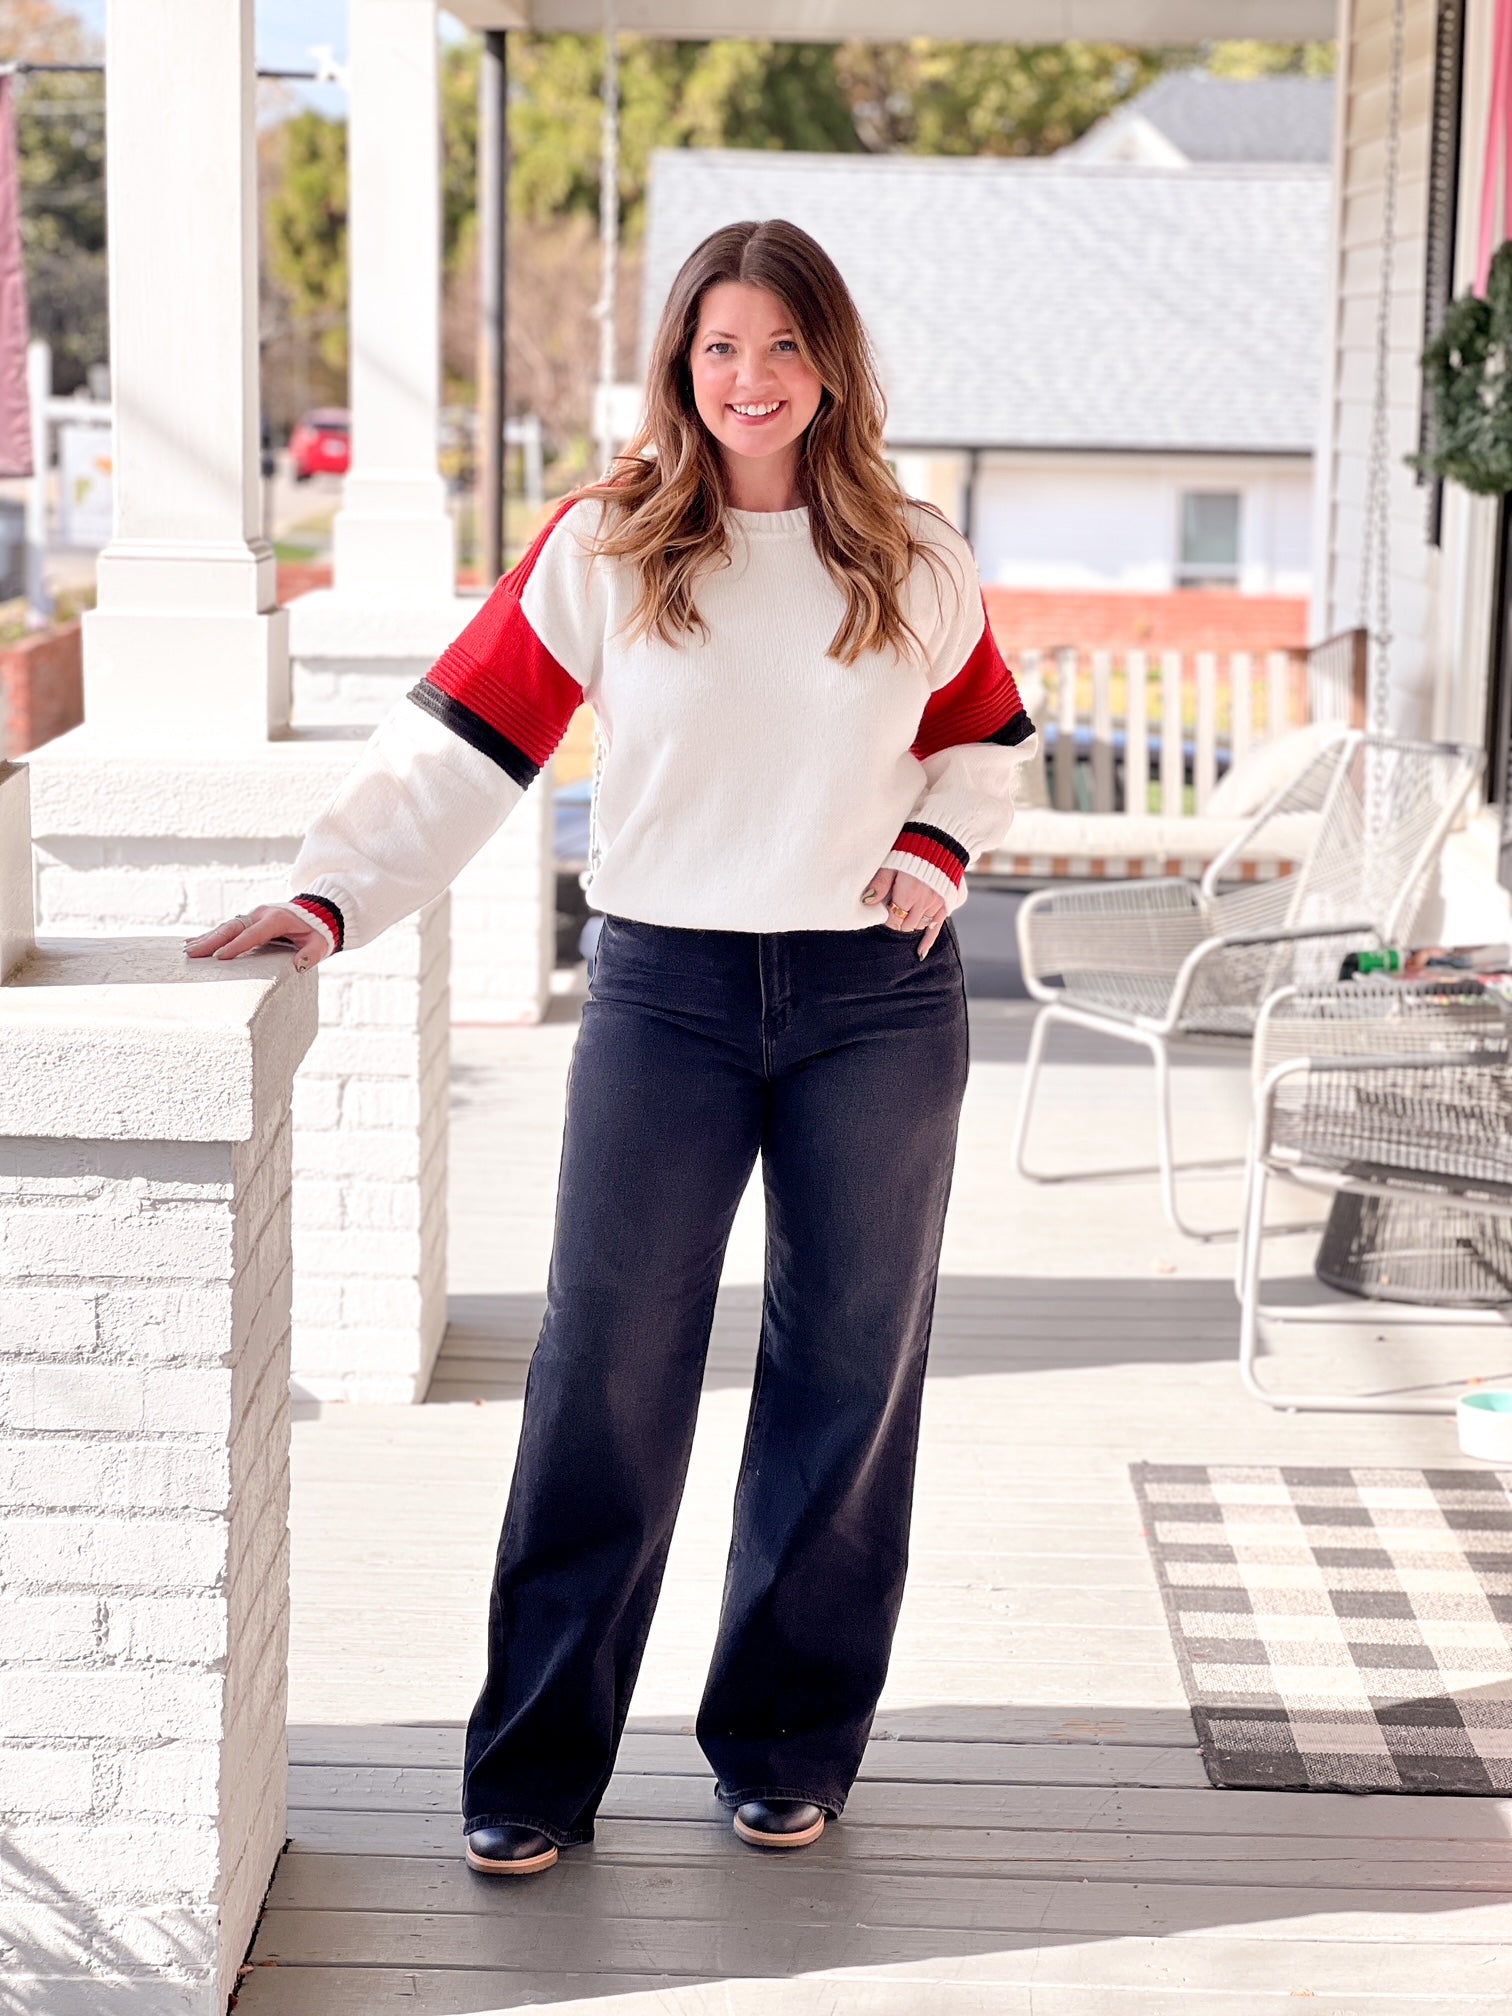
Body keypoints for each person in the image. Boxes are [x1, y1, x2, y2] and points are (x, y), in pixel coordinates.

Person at [188, 218, 1036, 1875]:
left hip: (875, 1001)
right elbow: (462, 747)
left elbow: (984, 746)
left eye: (782, 346)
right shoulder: (609, 541)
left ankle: (785, 1747)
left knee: (847, 1376)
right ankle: (533, 1767)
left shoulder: (915, 557)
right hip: (666, 998)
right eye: (721, 347)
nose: (751, 378)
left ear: (830, 365)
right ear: (681, 364)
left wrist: (936, 849)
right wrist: (328, 894)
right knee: (609, 1368)